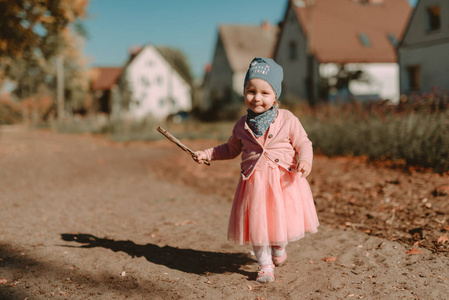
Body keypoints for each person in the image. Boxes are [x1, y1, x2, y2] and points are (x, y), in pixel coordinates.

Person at [193, 57, 319, 283]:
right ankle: (265, 265)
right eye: (251, 91)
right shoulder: (242, 125)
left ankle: (279, 246)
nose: (257, 98)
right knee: (258, 224)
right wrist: (207, 153)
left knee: (282, 219)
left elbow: (304, 143)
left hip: (283, 181)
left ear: (275, 96)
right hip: (255, 183)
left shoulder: (288, 119)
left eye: (264, 93)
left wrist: (306, 160)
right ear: (244, 92)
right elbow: (230, 149)